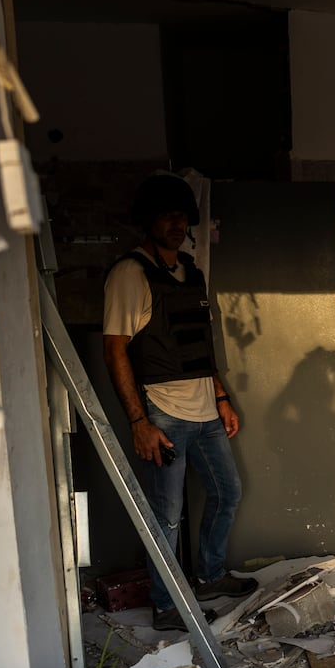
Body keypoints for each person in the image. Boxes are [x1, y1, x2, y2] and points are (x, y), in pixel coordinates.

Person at [103, 173, 257, 630]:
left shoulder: (190, 272)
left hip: (206, 412)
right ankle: (166, 604)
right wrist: (138, 421)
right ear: (147, 220)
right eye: (165, 214)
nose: (175, 222)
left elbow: (198, 348)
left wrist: (223, 398)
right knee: (166, 518)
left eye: (180, 215)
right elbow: (115, 349)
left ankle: (208, 576)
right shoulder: (130, 274)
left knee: (228, 493)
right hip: (164, 415)